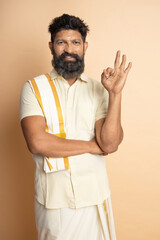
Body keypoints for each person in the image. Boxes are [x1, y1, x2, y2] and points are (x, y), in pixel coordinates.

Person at [20, 14, 132, 240]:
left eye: (75, 42)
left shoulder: (99, 88)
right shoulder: (33, 88)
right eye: (62, 42)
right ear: (51, 46)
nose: (69, 49)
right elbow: (37, 142)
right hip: (55, 202)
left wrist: (115, 95)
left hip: (95, 197)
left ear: (85, 46)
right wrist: (91, 146)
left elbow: (109, 143)